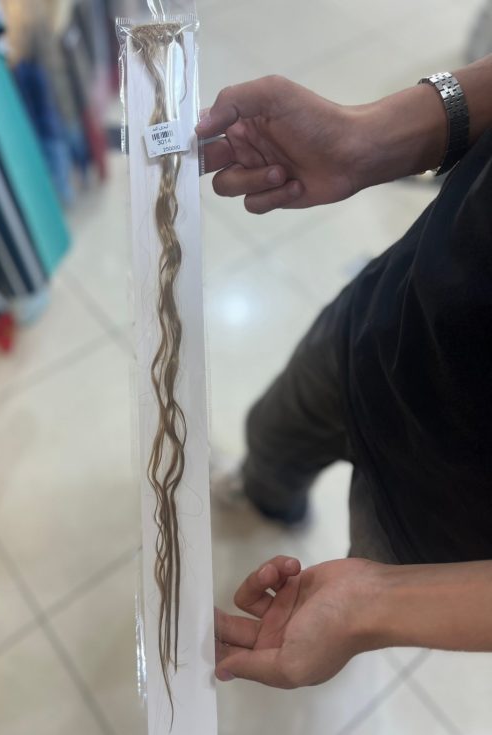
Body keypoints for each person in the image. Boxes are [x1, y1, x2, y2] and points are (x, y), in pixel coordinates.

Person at [196, 54, 492, 688]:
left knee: (333, 592)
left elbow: (369, 601)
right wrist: (372, 136)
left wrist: (374, 607)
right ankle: (267, 499)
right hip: (387, 317)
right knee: (270, 435)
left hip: (450, 522)